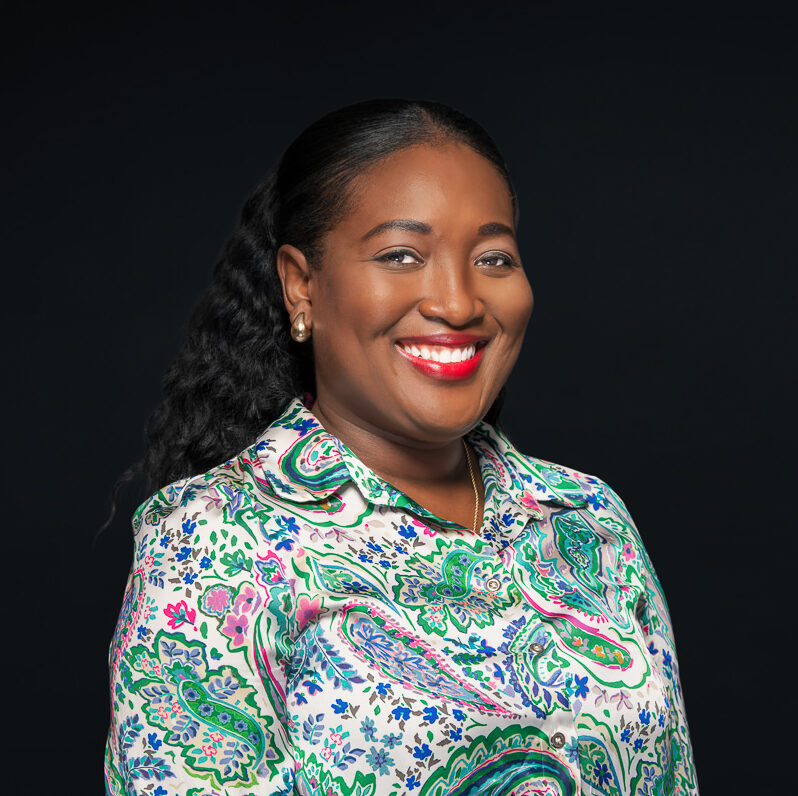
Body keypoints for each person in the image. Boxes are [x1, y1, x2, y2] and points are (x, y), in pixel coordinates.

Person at [103, 98, 698, 796]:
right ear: (302, 286)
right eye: (401, 255)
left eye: (492, 257)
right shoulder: (213, 541)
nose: (457, 301)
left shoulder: (588, 517)